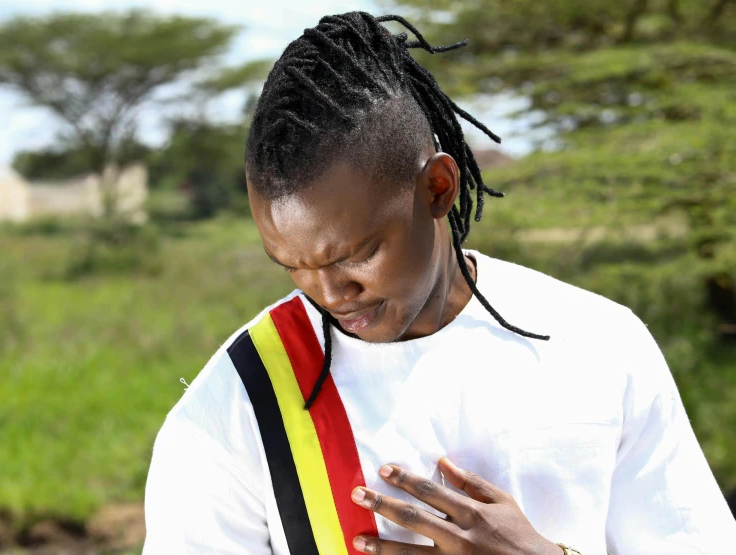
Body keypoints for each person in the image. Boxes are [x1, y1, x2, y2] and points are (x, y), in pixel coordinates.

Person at [142, 11, 736, 555]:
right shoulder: (235, 404)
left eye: (356, 253)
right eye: (292, 264)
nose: (326, 293)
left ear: (438, 189)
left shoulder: (599, 344)